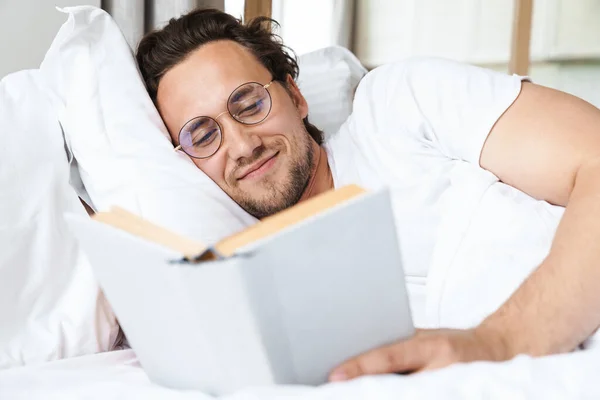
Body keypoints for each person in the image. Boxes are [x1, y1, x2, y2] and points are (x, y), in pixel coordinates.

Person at [135, 8, 600, 381]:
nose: (241, 145)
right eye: (202, 135)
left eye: (250, 103)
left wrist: (503, 341)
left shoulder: (395, 108)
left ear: (295, 96)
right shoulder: (256, 302)